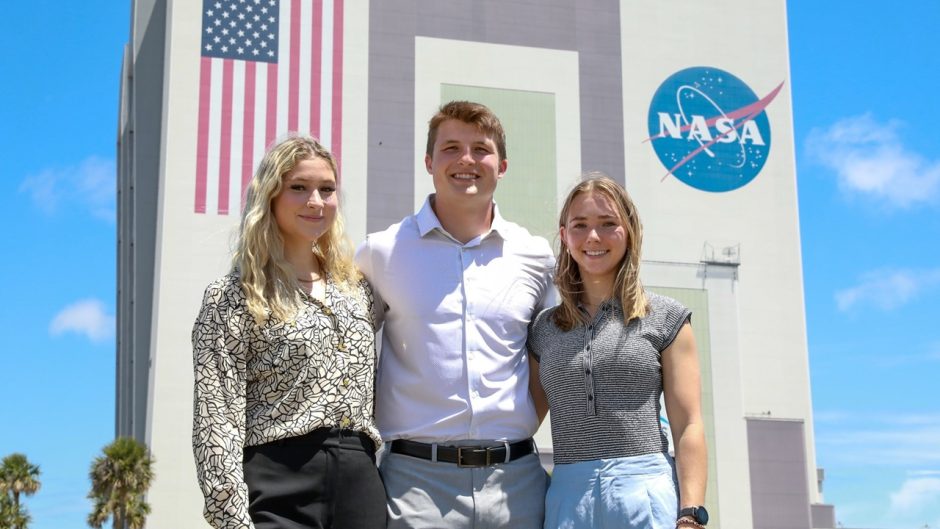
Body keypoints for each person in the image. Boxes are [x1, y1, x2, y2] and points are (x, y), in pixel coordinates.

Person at [355, 101, 555, 529]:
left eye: (480, 149)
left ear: (502, 166)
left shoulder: (535, 256)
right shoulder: (381, 251)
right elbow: (346, 356)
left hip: (516, 483)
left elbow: (548, 360)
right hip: (414, 487)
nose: (466, 160)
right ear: (429, 162)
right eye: (450, 148)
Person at [191, 136, 386, 529]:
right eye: (299, 187)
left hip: (360, 480)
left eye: (327, 190)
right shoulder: (232, 296)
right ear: (271, 196)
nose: (316, 201)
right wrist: (231, 518)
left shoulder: (359, 290)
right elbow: (216, 417)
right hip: (277, 482)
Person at [527, 175, 709, 529]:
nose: (593, 237)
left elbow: (689, 424)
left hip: (646, 492)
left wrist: (691, 513)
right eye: (580, 225)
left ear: (629, 231)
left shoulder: (667, 318)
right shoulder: (543, 329)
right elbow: (522, 421)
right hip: (567, 497)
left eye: (608, 224)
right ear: (564, 235)